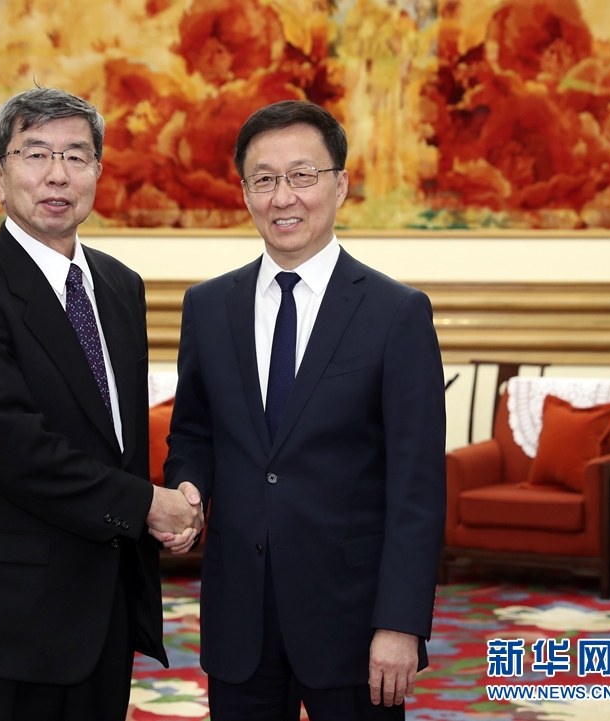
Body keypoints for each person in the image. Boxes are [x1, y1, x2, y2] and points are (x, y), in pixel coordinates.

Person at [0, 86, 203, 721]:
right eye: (36, 153)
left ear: (97, 172)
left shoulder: (121, 286)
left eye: (76, 156)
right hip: (9, 617)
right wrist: (147, 505)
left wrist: (170, 503)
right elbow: (16, 450)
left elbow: (120, 439)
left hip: (106, 605)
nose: (58, 174)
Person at [161, 100, 446, 720]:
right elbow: (194, 434)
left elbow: (418, 488)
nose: (282, 197)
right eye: (263, 179)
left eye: (302, 175)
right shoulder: (208, 307)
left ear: (339, 185)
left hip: (353, 620)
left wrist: (400, 623)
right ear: (244, 193)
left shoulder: (396, 314)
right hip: (239, 615)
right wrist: (188, 487)